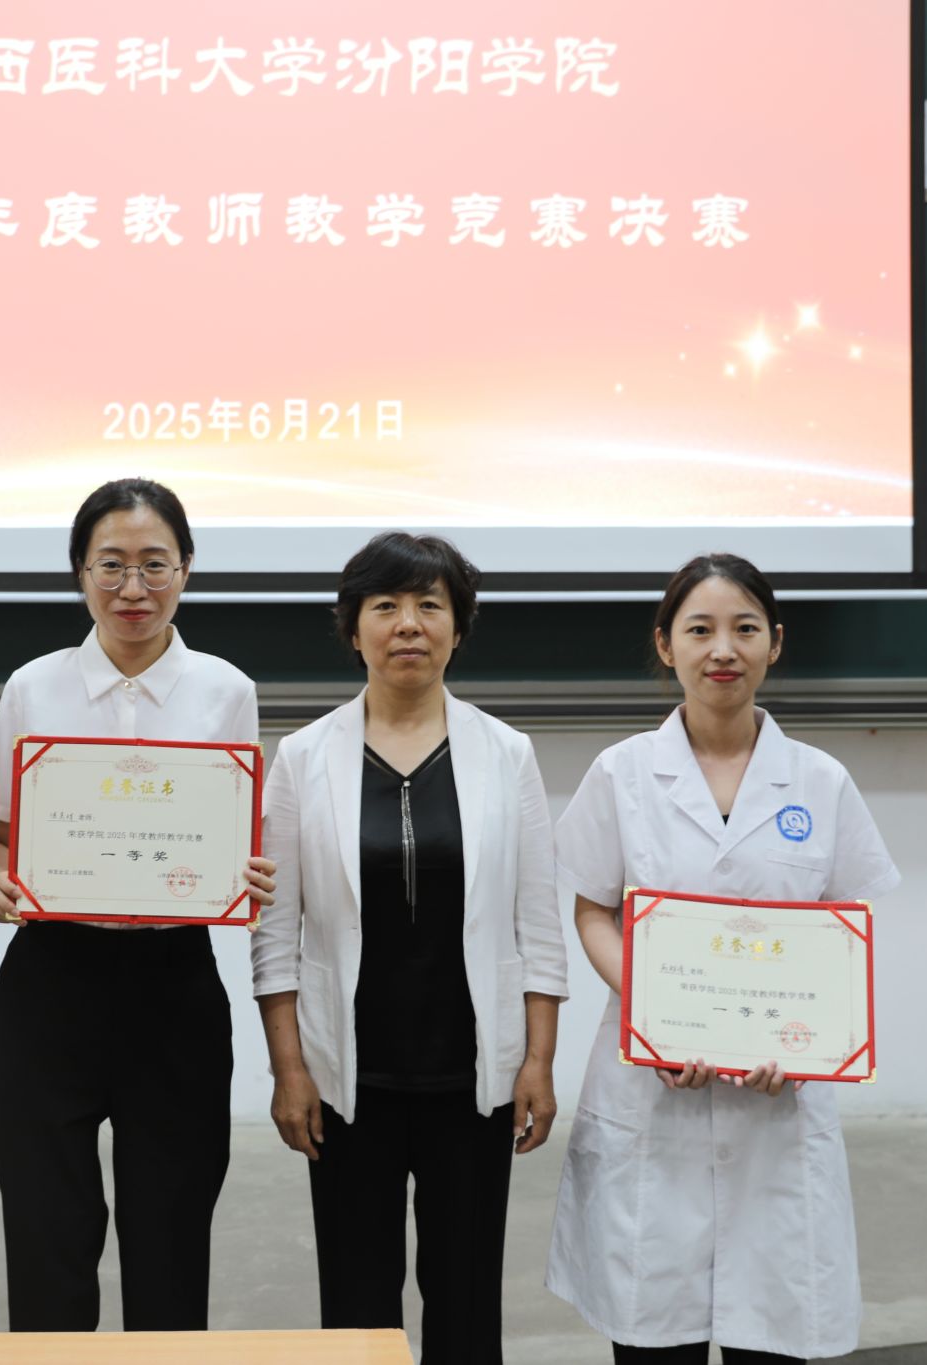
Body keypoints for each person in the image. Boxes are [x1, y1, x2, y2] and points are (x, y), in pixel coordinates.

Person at [545, 553, 901, 1364]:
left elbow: (843, 928)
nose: (722, 649)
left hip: (779, 1104)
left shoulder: (820, 781)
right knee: (653, 1338)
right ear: (665, 644)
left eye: (744, 628)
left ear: (775, 642)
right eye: (699, 629)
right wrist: (655, 1014)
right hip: (655, 1095)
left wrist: (802, 1038)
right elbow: (592, 909)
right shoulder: (622, 773)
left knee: (770, 1333)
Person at [0, 477, 277, 1332]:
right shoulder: (33, 686)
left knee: (170, 1241)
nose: (133, 587)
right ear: (80, 571)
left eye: (154, 564)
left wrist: (249, 878)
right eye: (111, 564)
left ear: (186, 570)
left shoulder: (226, 691)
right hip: (51, 984)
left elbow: (238, 841)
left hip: (174, 986)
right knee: (48, 1240)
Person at [250, 531, 569, 1365]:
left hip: (472, 1075)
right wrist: (289, 1070)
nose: (408, 624)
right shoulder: (302, 757)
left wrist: (537, 1061)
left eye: (430, 604)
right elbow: (275, 935)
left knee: (466, 1298)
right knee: (357, 1303)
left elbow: (539, 924)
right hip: (348, 1076)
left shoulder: (507, 753)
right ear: (352, 626)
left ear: (457, 628)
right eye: (385, 605)